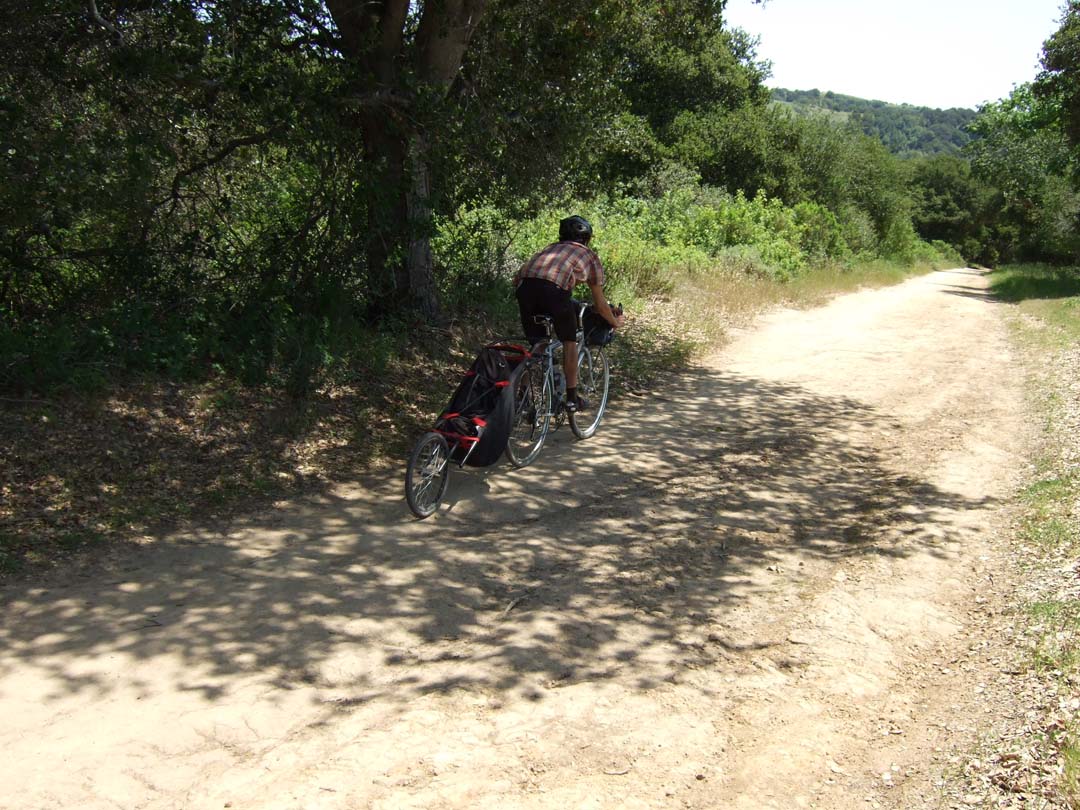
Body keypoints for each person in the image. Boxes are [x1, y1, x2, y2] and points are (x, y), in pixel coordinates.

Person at [514, 215, 625, 411]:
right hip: (554, 291)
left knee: (538, 345)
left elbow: (522, 278)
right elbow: (600, 304)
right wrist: (615, 323)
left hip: (525, 290)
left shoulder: (549, 249)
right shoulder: (589, 256)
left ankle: (521, 397)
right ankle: (572, 398)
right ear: (587, 239)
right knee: (569, 341)